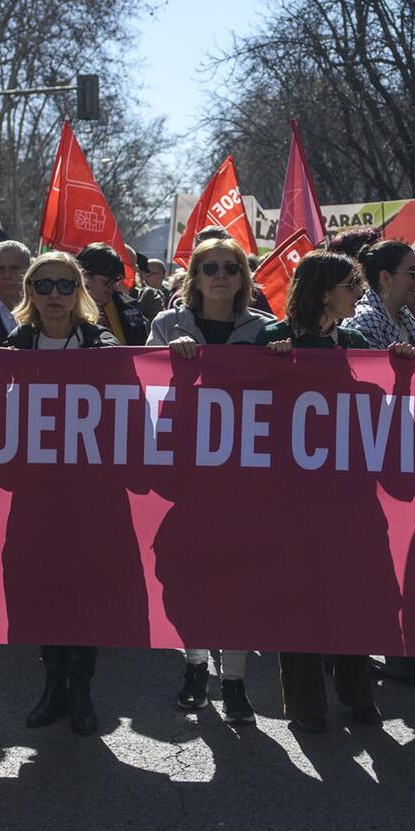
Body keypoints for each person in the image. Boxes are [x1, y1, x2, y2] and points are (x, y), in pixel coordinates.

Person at [256, 251, 387, 731]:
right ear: (325, 290)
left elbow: (386, 393)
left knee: (351, 597)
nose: (358, 294)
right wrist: (265, 369)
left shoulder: (355, 342)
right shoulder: (271, 339)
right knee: (298, 600)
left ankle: (359, 697)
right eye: (351, 286)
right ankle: (307, 705)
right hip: (289, 502)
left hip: (351, 497)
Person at [147, 238, 272, 719]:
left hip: (243, 480)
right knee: (184, 579)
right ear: (194, 278)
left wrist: (286, 357)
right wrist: (166, 358)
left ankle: (235, 682)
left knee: (238, 582)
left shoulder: (264, 331)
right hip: (184, 479)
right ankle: (196, 664)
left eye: (230, 268)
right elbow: (141, 387)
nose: (220, 275)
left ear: (242, 278)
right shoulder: (165, 325)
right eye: (210, 268)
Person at [7, 251, 121, 735]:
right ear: (29, 293)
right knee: (44, 590)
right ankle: (52, 687)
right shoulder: (13, 346)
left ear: (80, 293)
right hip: (33, 495)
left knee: (82, 591)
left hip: (90, 497)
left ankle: (81, 692)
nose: (54, 295)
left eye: (65, 285)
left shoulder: (103, 344)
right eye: (44, 285)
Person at [343, 240, 415, 350]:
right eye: (413, 273)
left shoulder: (403, 314)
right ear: (386, 278)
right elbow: (369, 366)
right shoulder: (364, 320)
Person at [79, 243, 151, 345]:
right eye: (106, 281)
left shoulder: (129, 307)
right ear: (84, 276)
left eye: (116, 280)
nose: (113, 286)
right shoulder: (66, 309)